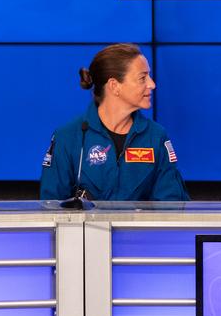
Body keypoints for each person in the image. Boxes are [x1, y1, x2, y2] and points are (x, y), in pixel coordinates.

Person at [40, 44, 190, 202]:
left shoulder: (156, 137)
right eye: (142, 78)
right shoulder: (68, 137)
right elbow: (50, 208)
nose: (152, 84)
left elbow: (172, 207)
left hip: (139, 228)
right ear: (114, 86)